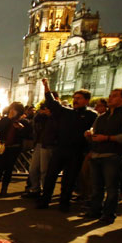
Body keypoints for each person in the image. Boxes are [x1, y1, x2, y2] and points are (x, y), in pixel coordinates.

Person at [37, 79, 97, 211]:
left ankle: (64, 202)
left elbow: (95, 131)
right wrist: (46, 86)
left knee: (69, 179)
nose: (75, 100)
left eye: (79, 98)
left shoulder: (91, 115)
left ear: (87, 100)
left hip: (76, 151)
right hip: (60, 149)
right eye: (75, 98)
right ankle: (45, 200)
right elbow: (52, 102)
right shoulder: (67, 112)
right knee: (50, 176)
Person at [84, 88, 122, 224]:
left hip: (113, 155)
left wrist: (108, 138)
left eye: (115, 96)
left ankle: (109, 213)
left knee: (111, 187)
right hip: (97, 154)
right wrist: (89, 135)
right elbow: (94, 132)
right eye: (110, 96)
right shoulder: (102, 117)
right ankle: (95, 210)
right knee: (96, 186)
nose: (110, 98)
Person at [0, 102, 31, 196]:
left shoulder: (24, 122)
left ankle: (4, 189)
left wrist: (21, 129)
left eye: (15, 109)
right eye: (11, 109)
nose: (12, 111)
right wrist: (8, 119)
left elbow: (27, 134)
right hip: (3, 146)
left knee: (8, 169)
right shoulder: (5, 120)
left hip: (14, 148)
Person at [23, 102, 55, 198]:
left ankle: (46, 193)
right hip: (39, 143)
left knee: (44, 170)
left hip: (48, 144)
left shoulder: (54, 118)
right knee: (33, 169)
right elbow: (35, 127)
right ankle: (35, 188)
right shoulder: (39, 118)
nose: (43, 111)